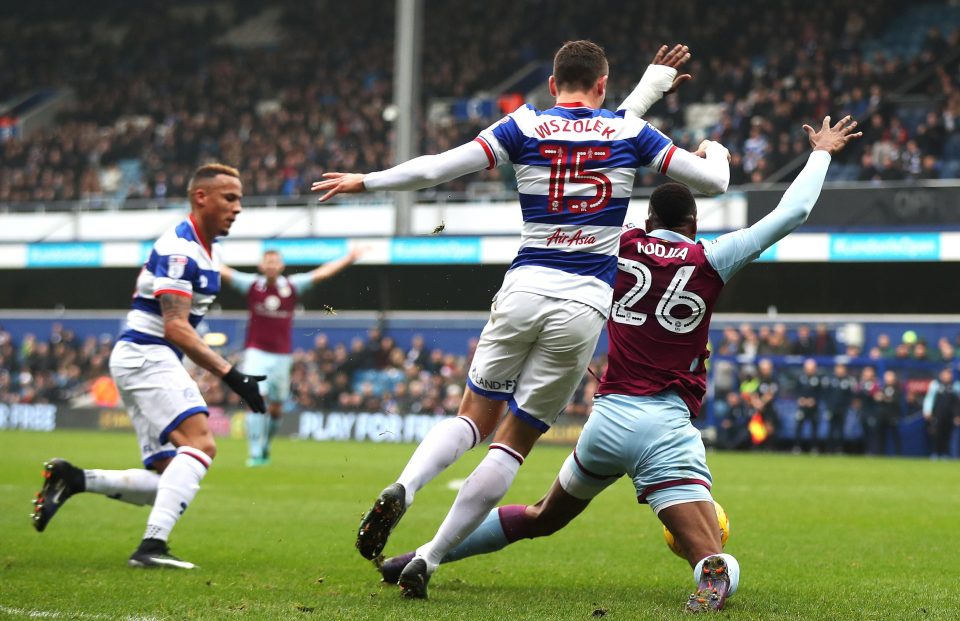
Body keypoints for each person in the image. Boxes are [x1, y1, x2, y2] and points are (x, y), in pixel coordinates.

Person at [375, 114, 861, 611]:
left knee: (542, 515)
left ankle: (422, 556)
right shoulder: (712, 257)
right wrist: (820, 151)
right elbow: (793, 211)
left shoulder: (618, 243)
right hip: (664, 425)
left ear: (648, 221)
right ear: (692, 224)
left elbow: (592, 197)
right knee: (707, 546)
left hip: (606, 422)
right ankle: (711, 573)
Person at [313, 40, 734, 598]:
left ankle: (405, 486)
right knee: (512, 441)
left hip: (524, 289)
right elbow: (712, 183)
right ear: (602, 85)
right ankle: (432, 556)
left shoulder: (524, 126)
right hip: (583, 303)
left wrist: (365, 180)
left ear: (553, 81)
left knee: (472, 416)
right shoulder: (627, 133)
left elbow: (439, 168)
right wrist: (715, 151)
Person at [31, 164, 267, 569]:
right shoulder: (181, 250)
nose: (238, 208)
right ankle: (151, 548)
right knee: (201, 445)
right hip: (148, 353)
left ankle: (75, 479)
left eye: (240, 199)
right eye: (230, 198)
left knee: (169, 473)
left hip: (143, 357)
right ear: (201, 197)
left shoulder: (208, 249)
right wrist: (233, 375)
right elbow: (175, 327)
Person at [221, 246, 362, 466]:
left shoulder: (292, 286)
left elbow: (322, 273)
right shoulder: (251, 285)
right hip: (256, 352)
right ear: (261, 266)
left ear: (281, 266)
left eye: (275, 262)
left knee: (276, 407)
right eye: (267, 261)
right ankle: (255, 452)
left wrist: (349, 258)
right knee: (255, 398)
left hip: (281, 356)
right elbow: (224, 271)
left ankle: (266, 445)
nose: (271, 265)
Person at [922, 367, 960, 459]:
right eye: (945, 374)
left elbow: (957, 403)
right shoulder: (935, 385)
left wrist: (957, 415)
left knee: (947, 435)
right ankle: (935, 453)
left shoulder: (955, 386)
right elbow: (929, 398)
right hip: (937, 414)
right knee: (936, 434)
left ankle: (945, 453)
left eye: (949, 374)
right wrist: (927, 410)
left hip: (949, 416)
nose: (947, 376)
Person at [824, 363, 857, 453]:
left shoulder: (848, 381)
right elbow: (826, 395)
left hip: (842, 409)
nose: (839, 371)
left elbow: (850, 396)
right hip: (832, 408)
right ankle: (829, 448)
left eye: (841, 369)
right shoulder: (830, 380)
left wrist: (847, 406)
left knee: (841, 429)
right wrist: (828, 407)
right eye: (838, 369)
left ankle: (840, 448)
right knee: (830, 429)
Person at [793, 358, 823, 453]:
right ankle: (797, 446)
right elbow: (795, 391)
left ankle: (814, 447)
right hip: (802, 407)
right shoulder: (800, 378)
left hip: (813, 407)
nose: (809, 370)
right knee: (799, 427)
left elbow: (821, 393)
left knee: (814, 427)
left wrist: (814, 400)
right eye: (808, 368)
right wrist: (800, 399)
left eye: (811, 368)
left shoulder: (818, 379)